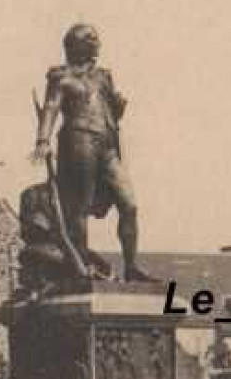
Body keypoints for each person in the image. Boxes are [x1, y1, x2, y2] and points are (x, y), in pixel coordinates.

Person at [30, 23, 155, 283]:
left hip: (107, 145)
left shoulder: (103, 77)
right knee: (79, 208)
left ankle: (131, 266)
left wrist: (118, 107)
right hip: (78, 141)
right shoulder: (60, 77)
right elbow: (52, 106)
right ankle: (82, 267)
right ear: (76, 44)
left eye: (96, 39)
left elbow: (111, 111)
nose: (97, 43)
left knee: (129, 205)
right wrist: (43, 139)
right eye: (91, 39)